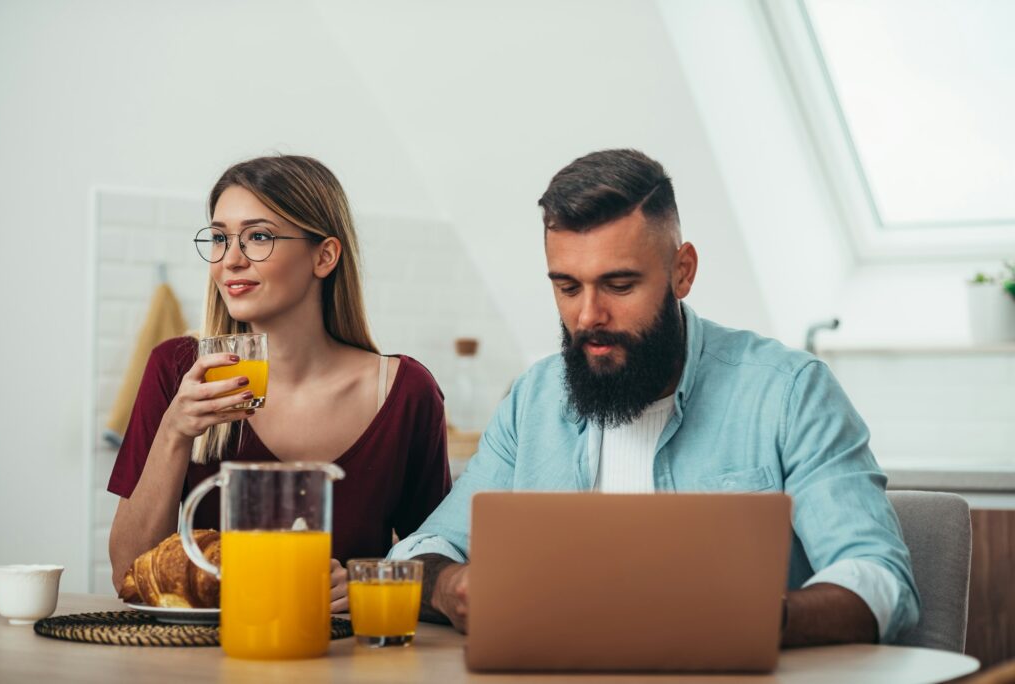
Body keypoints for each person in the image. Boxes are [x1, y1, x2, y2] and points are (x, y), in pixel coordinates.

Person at [390, 149, 919, 646]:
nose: (588, 316)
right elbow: (421, 551)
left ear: (682, 271)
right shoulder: (533, 399)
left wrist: (751, 615)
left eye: (619, 286)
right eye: (568, 287)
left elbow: (878, 578)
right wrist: (451, 587)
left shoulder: (788, 391)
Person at [108, 155, 451, 612]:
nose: (230, 260)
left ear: (324, 256)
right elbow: (127, 573)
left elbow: (441, 568)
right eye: (219, 238)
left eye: (258, 237)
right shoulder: (177, 370)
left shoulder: (405, 392)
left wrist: (367, 586)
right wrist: (174, 432)